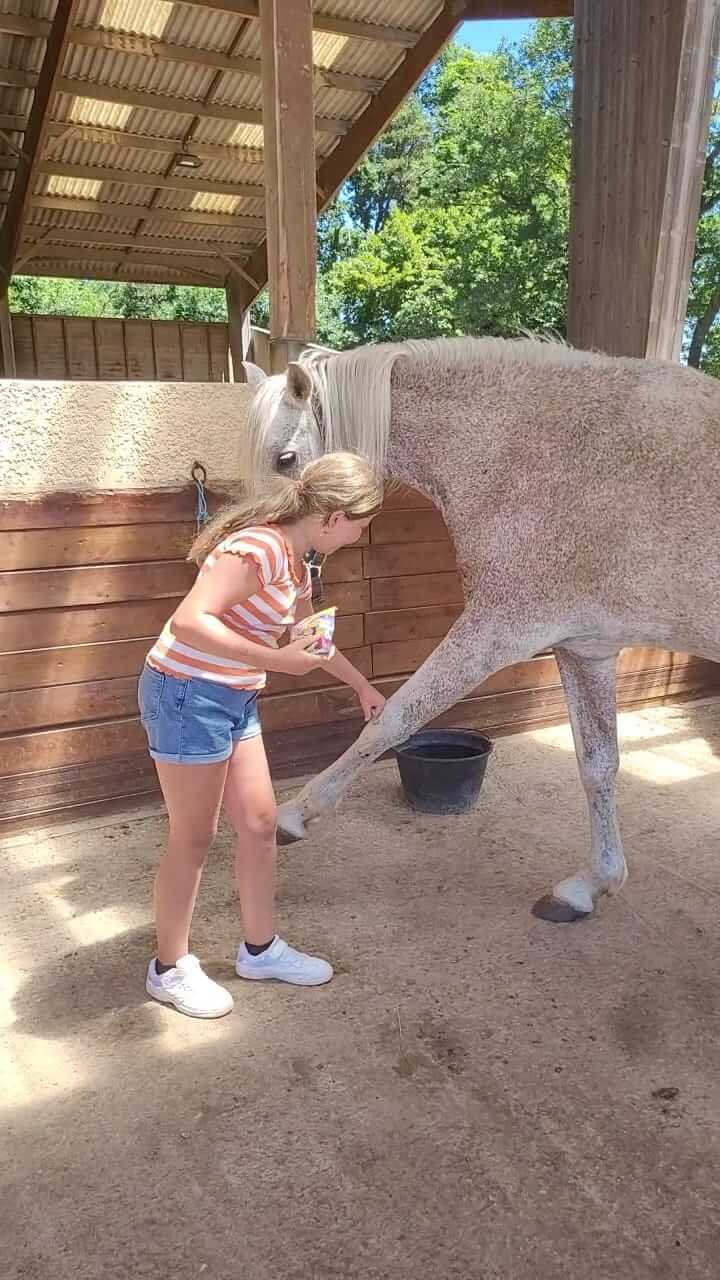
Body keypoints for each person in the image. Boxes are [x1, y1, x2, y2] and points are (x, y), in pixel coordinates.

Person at [138, 452, 386, 1018]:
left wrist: (360, 686)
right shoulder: (260, 547)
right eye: (360, 524)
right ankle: (169, 969)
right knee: (192, 839)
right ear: (331, 519)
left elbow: (310, 638)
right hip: (186, 693)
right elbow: (190, 619)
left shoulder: (300, 563)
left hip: (233, 695)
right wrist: (274, 659)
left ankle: (260, 950)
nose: (361, 535)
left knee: (259, 822)